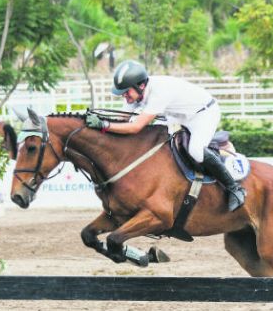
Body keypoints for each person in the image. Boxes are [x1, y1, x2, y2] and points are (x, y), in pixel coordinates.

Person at [86, 60, 246, 211]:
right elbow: (122, 118)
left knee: (196, 150)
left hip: (203, 114)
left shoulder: (159, 92)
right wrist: (98, 121)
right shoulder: (135, 94)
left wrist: (104, 125)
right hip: (178, 116)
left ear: (141, 85)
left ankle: (234, 188)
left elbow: (135, 127)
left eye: (126, 92)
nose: (124, 96)